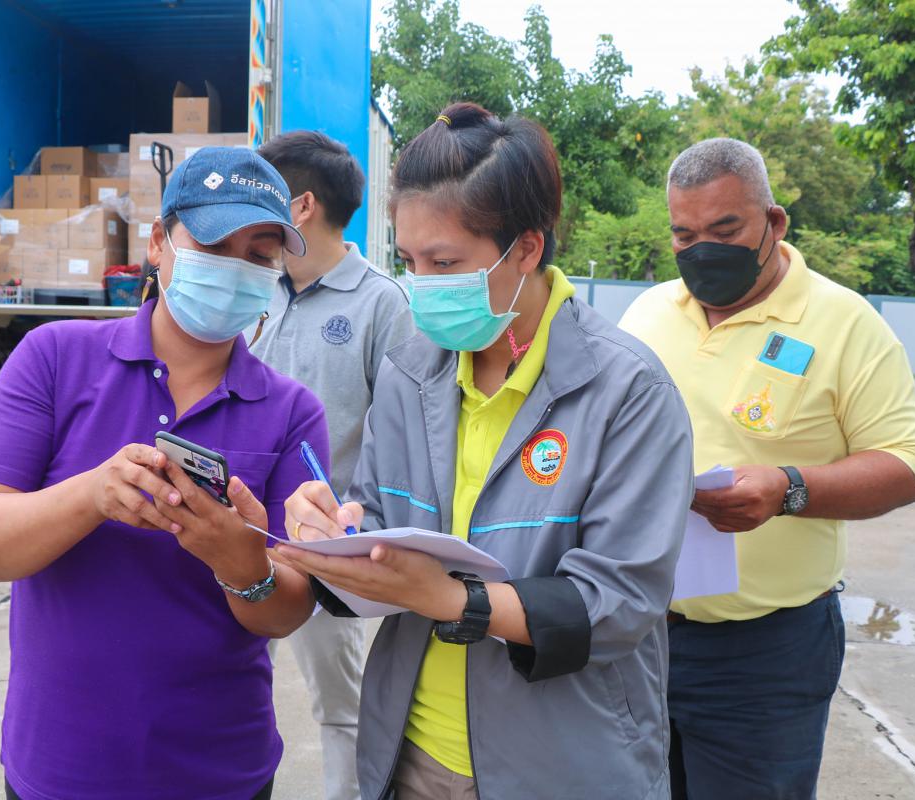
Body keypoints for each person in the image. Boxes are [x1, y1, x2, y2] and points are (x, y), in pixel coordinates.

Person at [276, 103, 695, 800]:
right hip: (410, 753)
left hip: (559, 764)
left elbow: (620, 602)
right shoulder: (412, 372)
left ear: (526, 248)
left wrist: (448, 598)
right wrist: (338, 535)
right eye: (408, 261)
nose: (422, 284)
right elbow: (377, 514)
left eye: (445, 262)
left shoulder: (628, 391)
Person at [0, 147, 328, 800]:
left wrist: (242, 564)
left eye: (259, 255)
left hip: (221, 771)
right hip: (63, 766)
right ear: (157, 243)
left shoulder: (292, 412)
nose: (235, 269)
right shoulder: (53, 359)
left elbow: (287, 611)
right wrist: (92, 495)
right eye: (214, 244)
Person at [618, 137, 915, 800]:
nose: (703, 249)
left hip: (765, 656)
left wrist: (790, 489)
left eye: (725, 229)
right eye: (684, 235)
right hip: (638, 635)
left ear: (774, 222)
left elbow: (908, 463)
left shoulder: (845, 323)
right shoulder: (647, 313)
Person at [252, 130, 414, 800]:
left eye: (263, 197)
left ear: (302, 206)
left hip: (326, 546)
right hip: (241, 535)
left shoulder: (381, 303)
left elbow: (402, 432)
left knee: (342, 709)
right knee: (225, 676)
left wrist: (361, 531)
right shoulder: (255, 288)